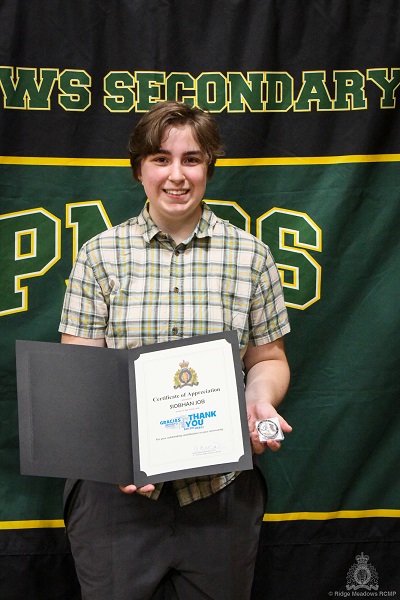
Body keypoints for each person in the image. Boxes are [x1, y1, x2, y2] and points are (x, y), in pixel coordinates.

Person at [59, 100, 291, 600]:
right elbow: (81, 373)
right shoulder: (99, 255)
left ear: (209, 166)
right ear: (139, 168)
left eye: (192, 159)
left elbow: (268, 359)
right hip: (117, 498)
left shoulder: (251, 256)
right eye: (161, 159)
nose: (177, 175)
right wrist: (117, 453)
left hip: (220, 492)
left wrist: (259, 399)